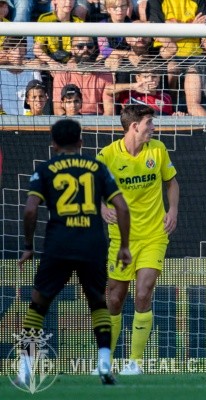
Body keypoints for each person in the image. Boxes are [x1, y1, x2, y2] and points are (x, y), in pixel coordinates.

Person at [15, 119, 131, 387]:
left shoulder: (45, 169)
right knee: (97, 302)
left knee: (39, 303)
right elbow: (122, 208)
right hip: (92, 243)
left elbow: (31, 209)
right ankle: (104, 361)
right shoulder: (97, 167)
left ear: (53, 145)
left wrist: (29, 246)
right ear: (81, 142)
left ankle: (25, 366)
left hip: (58, 244)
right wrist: (124, 246)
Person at [97, 104, 179, 375]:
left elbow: (172, 182)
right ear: (134, 127)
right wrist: (101, 206)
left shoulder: (158, 150)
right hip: (121, 239)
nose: (153, 128)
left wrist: (173, 210)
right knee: (116, 298)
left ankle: (135, 362)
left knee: (143, 293)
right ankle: (105, 360)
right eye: (149, 123)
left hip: (154, 234)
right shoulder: (108, 155)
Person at [51, 36, 114, 115]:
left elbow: (109, 112)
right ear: (72, 50)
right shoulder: (62, 74)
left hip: (97, 120)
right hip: (69, 119)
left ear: (94, 48)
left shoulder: (105, 73)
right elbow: (58, 110)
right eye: (80, 46)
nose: (85, 49)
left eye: (89, 46)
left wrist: (99, 126)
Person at [33, 0, 84, 69]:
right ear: (55, 1)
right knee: (36, 64)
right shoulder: (45, 19)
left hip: (70, 64)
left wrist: (73, 60)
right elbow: (37, 49)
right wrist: (51, 62)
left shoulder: (78, 22)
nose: (68, 2)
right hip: (48, 63)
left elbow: (83, 48)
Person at [0, 36, 42, 115]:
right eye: (13, 48)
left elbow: (39, 101)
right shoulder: (1, 73)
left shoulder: (33, 71)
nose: (18, 51)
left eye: (20, 47)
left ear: (25, 50)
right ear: (6, 52)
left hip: (30, 120)